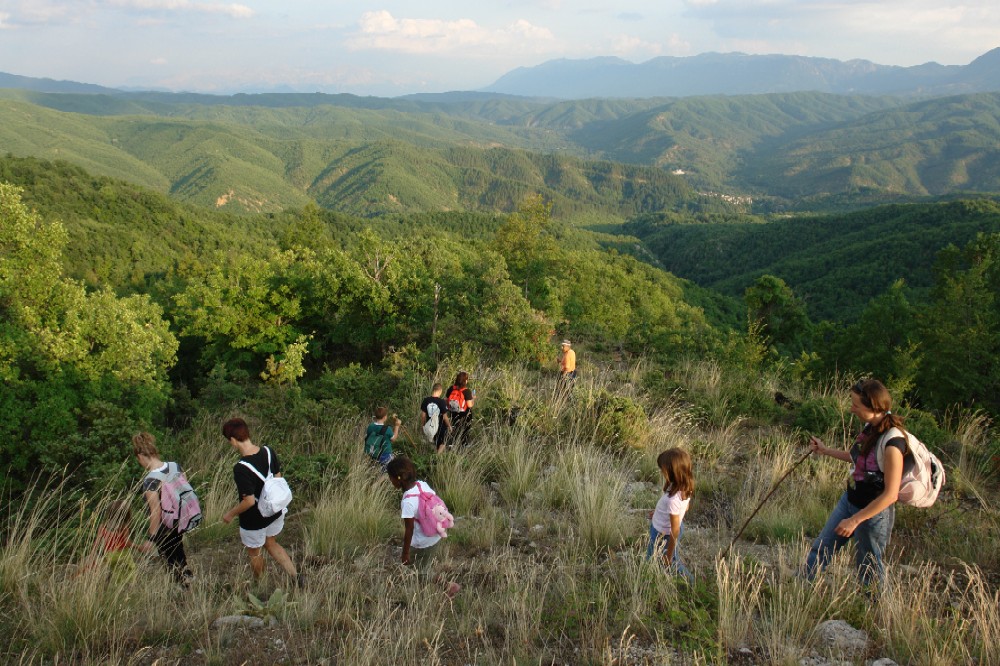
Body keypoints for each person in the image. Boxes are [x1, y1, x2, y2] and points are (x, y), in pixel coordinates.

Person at [804, 379, 906, 588]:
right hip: (849, 500)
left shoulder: (894, 443)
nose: (851, 409)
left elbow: (891, 494)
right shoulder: (871, 428)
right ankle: (801, 587)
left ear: (874, 408)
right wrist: (825, 451)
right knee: (822, 547)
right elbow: (858, 459)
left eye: (856, 405)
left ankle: (874, 609)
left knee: (868, 565)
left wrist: (854, 520)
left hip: (872, 513)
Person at [221, 418, 301, 586]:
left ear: (233, 441)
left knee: (254, 553)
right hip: (275, 511)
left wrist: (230, 514)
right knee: (271, 543)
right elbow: (278, 479)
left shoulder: (241, 468)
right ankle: (296, 577)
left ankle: (261, 586)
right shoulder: (268, 451)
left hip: (254, 519)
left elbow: (249, 501)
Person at [386, 456, 460, 597]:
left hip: (422, 542)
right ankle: (428, 586)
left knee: (421, 572)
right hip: (435, 534)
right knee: (422, 566)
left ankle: (448, 587)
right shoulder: (422, 484)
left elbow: (409, 529)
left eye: (391, 478)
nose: (391, 481)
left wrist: (405, 552)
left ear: (398, 479)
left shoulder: (408, 502)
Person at [133, 432, 194, 584]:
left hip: (164, 526)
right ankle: (189, 579)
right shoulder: (175, 466)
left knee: (170, 561)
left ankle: (181, 588)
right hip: (180, 520)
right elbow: (185, 491)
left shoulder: (150, 481)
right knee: (179, 552)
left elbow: (155, 511)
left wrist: (151, 538)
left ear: (140, 456)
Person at [646, 448, 694, 581]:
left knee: (669, 561)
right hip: (665, 528)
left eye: (663, 470)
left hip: (664, 534)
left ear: (671, 472)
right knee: (653, 557)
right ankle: (653, 577)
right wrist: (659, 513)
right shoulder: (684, 487)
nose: (661, 472)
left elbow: (675, 530)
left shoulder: (672, 499)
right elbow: (686, 508)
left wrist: (668, 554)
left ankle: (689, 582)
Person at [80, 499, 136, 579]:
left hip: (109, 554)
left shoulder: (102, 526)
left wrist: (92, 554)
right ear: (125, 514)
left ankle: (111, 583)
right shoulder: (124, 528)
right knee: (131, 570)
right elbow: (127, 542)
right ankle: (128, 586)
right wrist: (139, 547)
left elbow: (97, 542)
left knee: (114, 571)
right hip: (122, 554)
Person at [445, 371, 476, 448]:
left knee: (454, 426)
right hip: (464, 414)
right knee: (465, 428)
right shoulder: (467, 391)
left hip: (453, 412)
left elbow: (446, 400)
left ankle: (451, 443)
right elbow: (469, 405)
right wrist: (473, 399)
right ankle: (464, 444)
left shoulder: (451, 388)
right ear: (465, 381)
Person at [420, 383, 453, 454]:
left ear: (433, 389)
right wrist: (449, 426)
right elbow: (445, 417)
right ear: (440, 391)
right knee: (443, 442)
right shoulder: (441, 402)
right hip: (440, 426)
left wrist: (422, 426)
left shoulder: (426, 400)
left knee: (434, 443)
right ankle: (436, 458)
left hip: (429, 426)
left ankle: (432, 457)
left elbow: (423, 415)